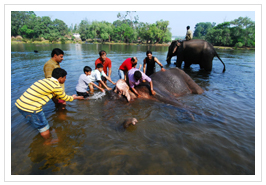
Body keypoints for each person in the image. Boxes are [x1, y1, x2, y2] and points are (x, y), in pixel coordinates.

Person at [15, 68, 84, 140]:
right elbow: (65, 98)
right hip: (32, 108)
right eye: (65, 78)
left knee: (41, 123)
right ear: (60, 78)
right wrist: (76, 97)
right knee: (43, 127)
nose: (65, 80)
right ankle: (48, 142)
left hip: (20, 104)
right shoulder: (56, 86)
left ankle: (48, 131)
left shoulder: (44, 80)